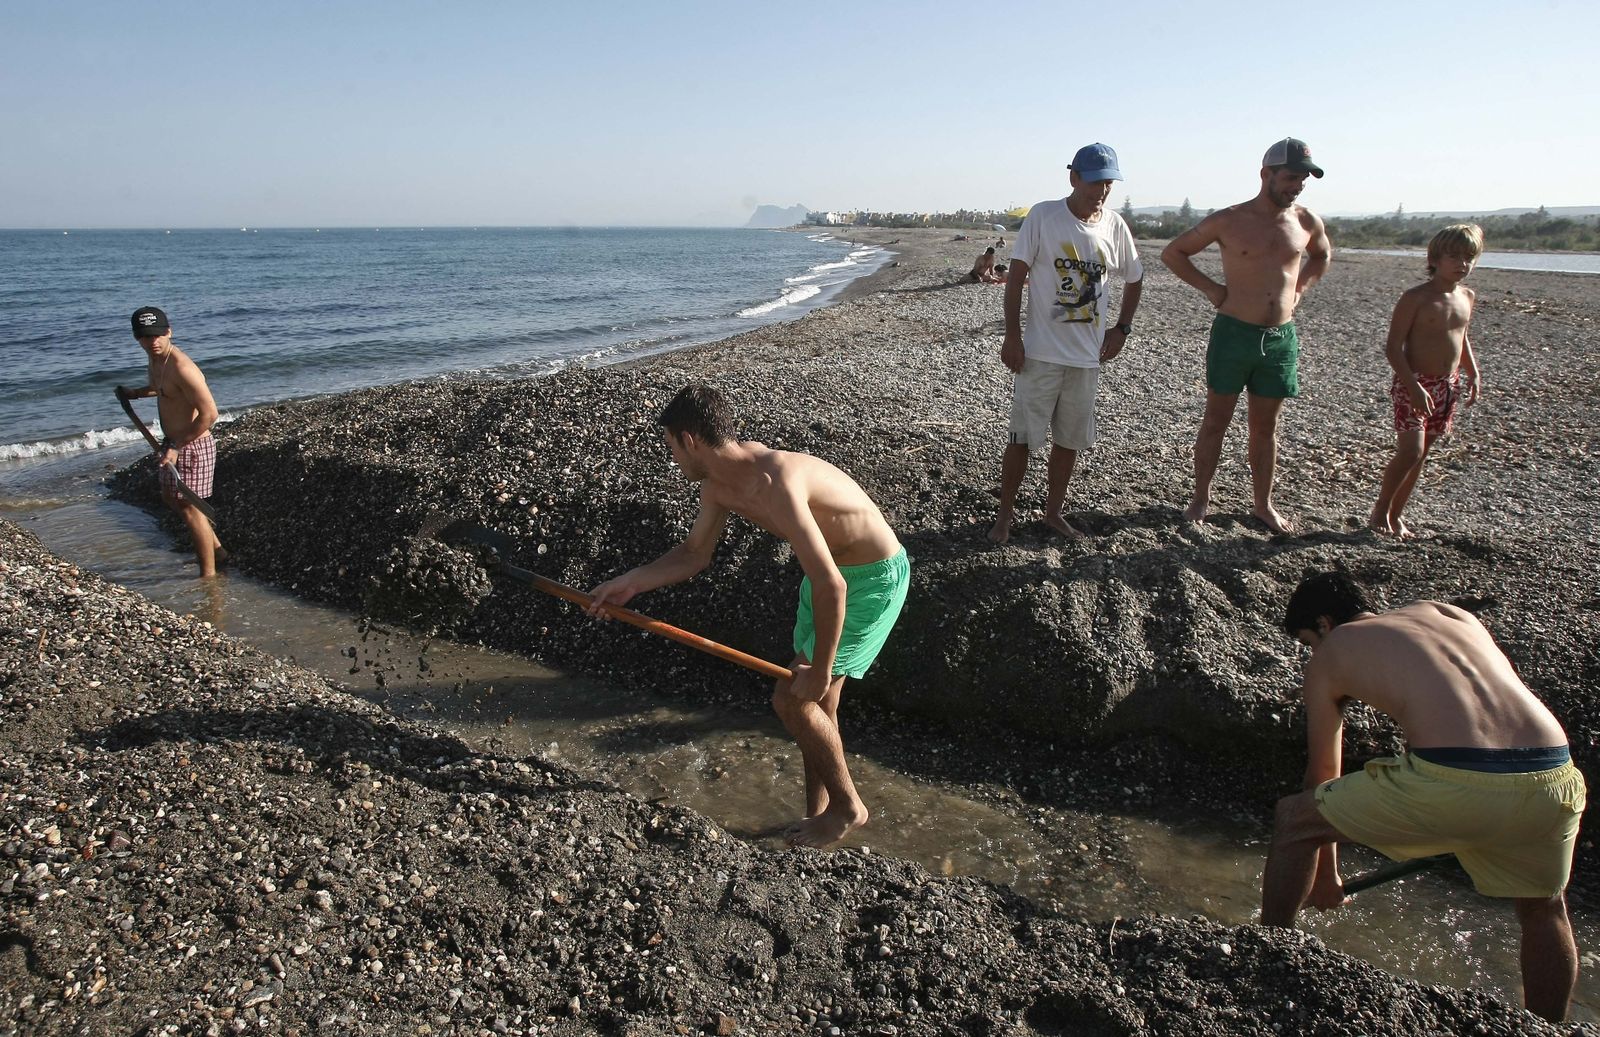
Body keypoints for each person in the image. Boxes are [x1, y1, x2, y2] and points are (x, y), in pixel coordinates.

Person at [587, 383, 909, 848]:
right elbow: (694, 554)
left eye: (672, 447)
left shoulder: (776, 481)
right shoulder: (719, 488)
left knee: (794, 699)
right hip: (827, 578)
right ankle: (817, 815)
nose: (674, 459)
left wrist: (820, 669)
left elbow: (833, 586)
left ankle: (848, 808)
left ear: (689, 440)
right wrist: (632, 582)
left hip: (868, 580)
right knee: (818, 706)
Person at [1263, 572, 1585, 1023]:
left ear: (1323, 623)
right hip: (1554, 773)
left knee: (1294, 820)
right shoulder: (1449, 613)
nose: (1313, 653)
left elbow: (1322, 776)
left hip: (1458, 778)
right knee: (1544, 907)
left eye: (1308, 641)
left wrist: (1324, 878)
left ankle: (1262, 957)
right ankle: (1548, 1028)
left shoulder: (1331, 653)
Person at [1161, 138, 1332, 534]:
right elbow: (1174, 253)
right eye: (1291, 177)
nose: (1298, 185)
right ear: (1266, 174)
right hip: (1234, 333)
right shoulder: (1229, 220)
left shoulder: (1307, 221)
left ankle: (1263, 505)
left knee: (1265, 427)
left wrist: (1301, 289)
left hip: (1279, 338)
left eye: (1304, 179)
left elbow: (1322, 255)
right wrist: (1212, 289)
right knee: (1216, 420)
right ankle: (1201, 497)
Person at [990, 142, 1143, 543]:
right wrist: (1012, 336)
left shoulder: (1114, 225)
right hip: (1039, 353)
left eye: (1108, 183)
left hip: (1086, 359)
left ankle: (1053, 512)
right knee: (1022, 437)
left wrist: (1121, 328)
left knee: (1069, 440)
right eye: (1094, 182)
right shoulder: (1044, 216)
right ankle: (1004, 514)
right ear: (1074, 177)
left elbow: (1135, 276)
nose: (1101, 191)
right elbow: (1017, 279)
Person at [1369, 224, 1485, 538]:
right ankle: (1380, 511)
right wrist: (1413, 386)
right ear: (1434, 258)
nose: (1462, 263)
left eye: (1468, 257)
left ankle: (1397, 515)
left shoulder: (1467, 296)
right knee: (1409, 450)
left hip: (1448, 385)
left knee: (1421, 455)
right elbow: (1393, 348)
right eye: (1454, 256)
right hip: (1414, 382)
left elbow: (1461, 337)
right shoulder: (1416, 298)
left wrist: (1472, 371)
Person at [124, 306, 226, 577]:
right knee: (171, 498)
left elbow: (210, 413)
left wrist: (177, 446)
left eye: (158, 335)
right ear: (137, 338)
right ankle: (216, 548)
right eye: (146, 336)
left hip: (192, 446)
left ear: (169, 332)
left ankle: (209, 576)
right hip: (174, 443)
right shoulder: (157, 359)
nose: (153, 341)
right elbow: (162, 388)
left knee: (191, 509)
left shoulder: (182, 367)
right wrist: (136, 393)